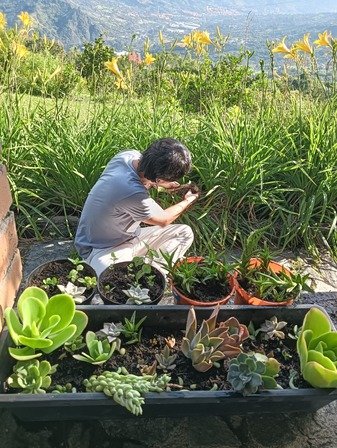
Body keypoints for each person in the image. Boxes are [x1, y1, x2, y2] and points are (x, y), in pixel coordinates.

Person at [74, 137, 199, 276]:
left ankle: (152, 269)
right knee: (121, 282)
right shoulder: (130, 190)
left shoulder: (128, 156)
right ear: (158, 178)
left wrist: (160, 183)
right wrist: (188, 200)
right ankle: (148, 272)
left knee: (184, 233)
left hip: (130, 236)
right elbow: (164, 220)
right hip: (102, 249)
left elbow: (144, 180)